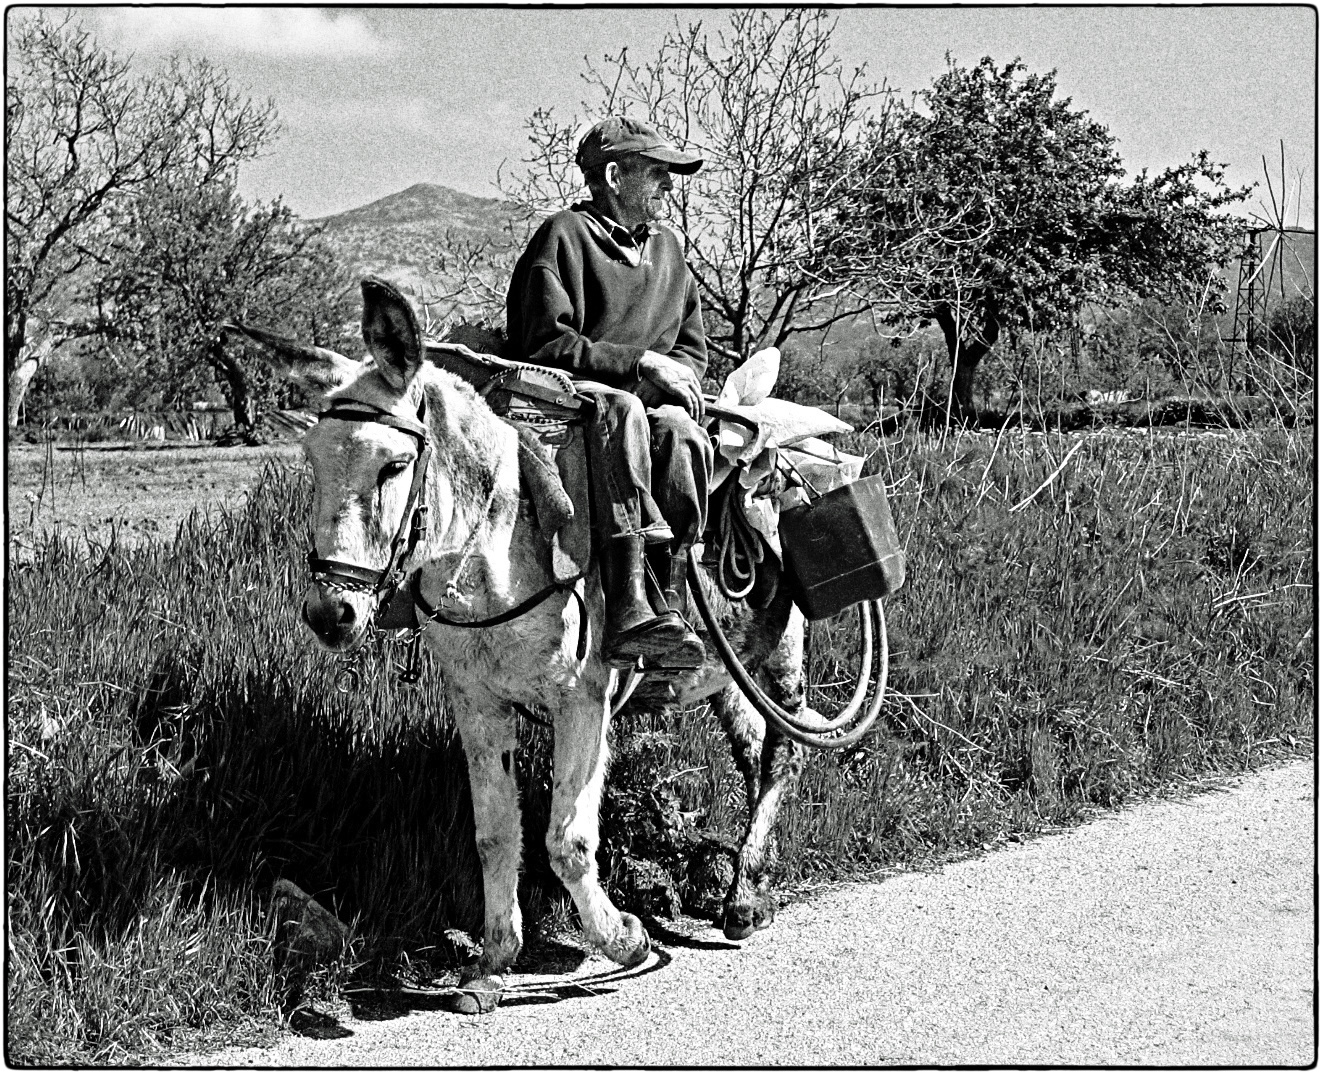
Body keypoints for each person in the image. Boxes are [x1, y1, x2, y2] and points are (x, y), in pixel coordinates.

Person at [506, 116, 714, 670]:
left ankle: (667, 604)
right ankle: (627, 606)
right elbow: (543, 342)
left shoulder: (670, 251)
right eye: (657, 173)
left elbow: (691, 354)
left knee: (682, 432)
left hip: (646, 407)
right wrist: (637, 365)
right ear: (615, 175)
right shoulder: (563, 238)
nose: (668, 186)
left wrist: (666, 381)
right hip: (576, 404)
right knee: (624, 412)